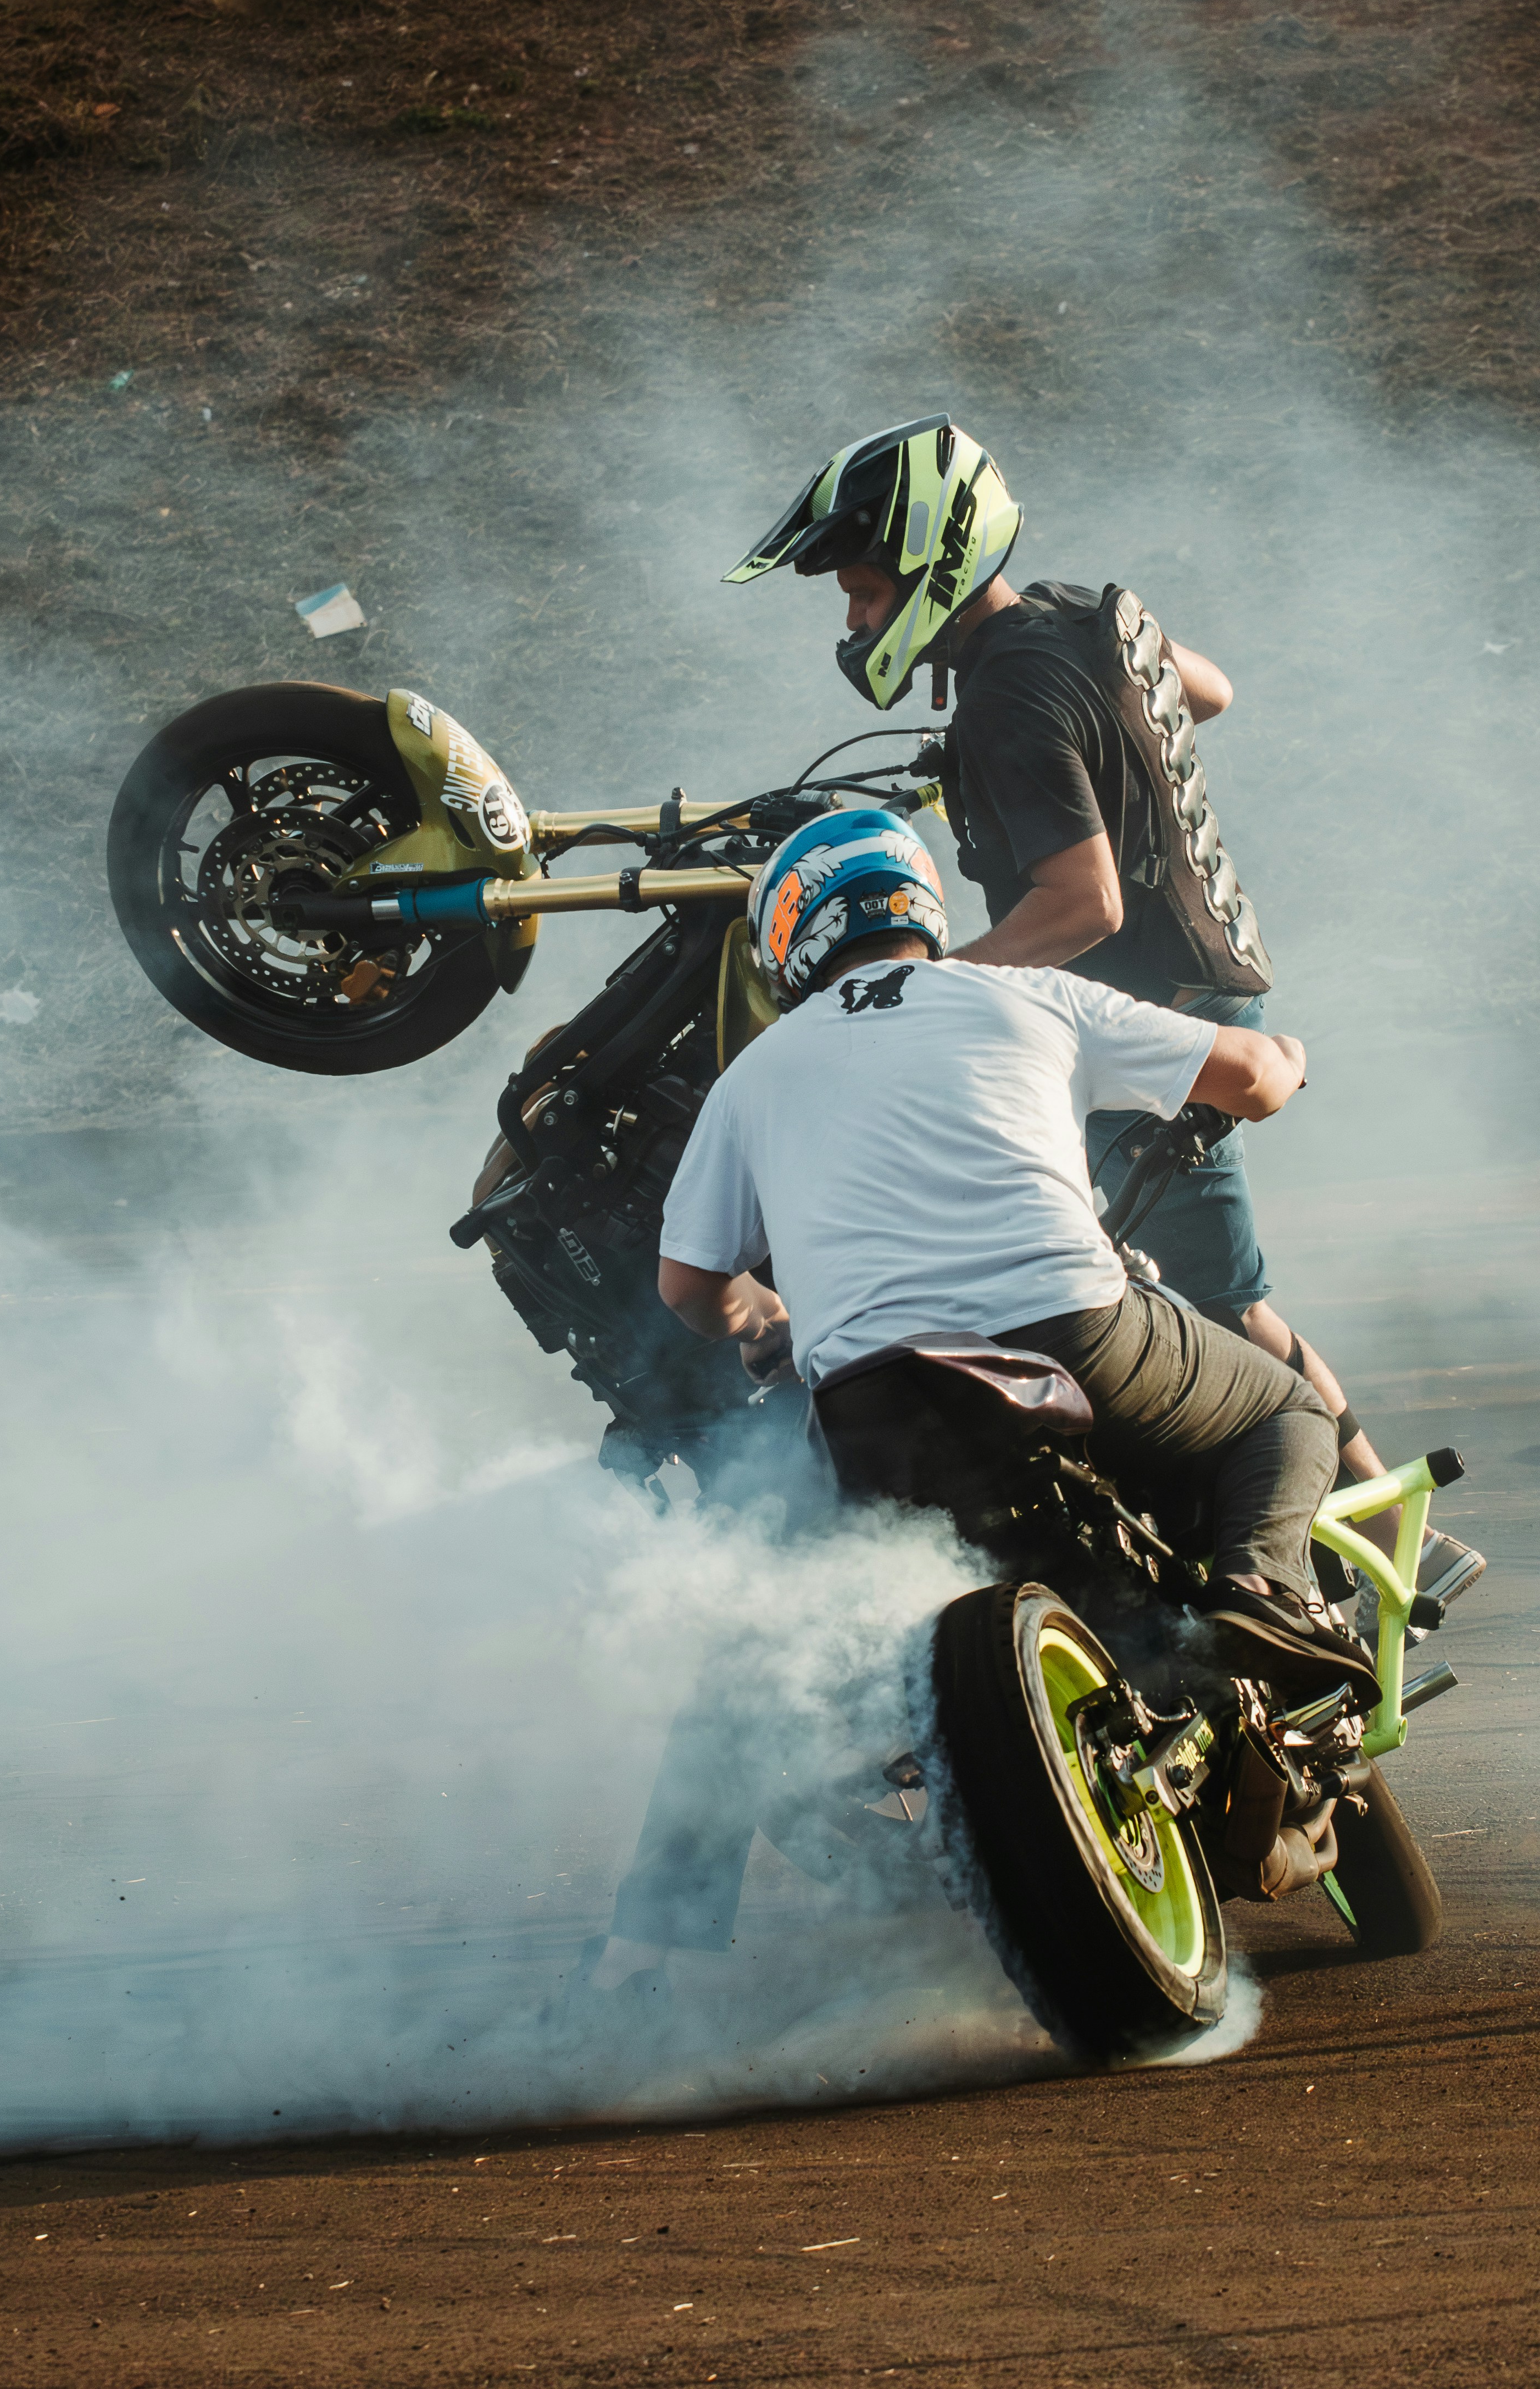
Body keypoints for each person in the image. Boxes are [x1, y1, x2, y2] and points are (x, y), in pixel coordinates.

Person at [579, 808, 1375, 2007]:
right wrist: (1294, 1059)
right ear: (916, 903)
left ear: (790, 940)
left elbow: (687, 1284)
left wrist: (765, 1326)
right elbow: (1252, 1075)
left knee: (751, 1652)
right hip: (1078, 1332)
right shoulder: (1019, 994)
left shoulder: (756, 1074)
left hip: (868, 1407)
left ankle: (651, 1947)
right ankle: (1258, 1584)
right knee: (1282, 1416)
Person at [723, 413, 1481, 1598]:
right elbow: (1206, 689)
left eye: (865, 593)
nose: (854, 623)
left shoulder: (1005, 701)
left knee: (1207, 1300)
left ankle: (1373, 1543)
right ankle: (1364, 1528)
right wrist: (1109, 733)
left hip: (1144, 1009)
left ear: (931, 563)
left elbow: (1080, 903)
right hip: (1206, 971)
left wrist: (934, 988)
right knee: (1184, 1286)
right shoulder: (1073, 618)